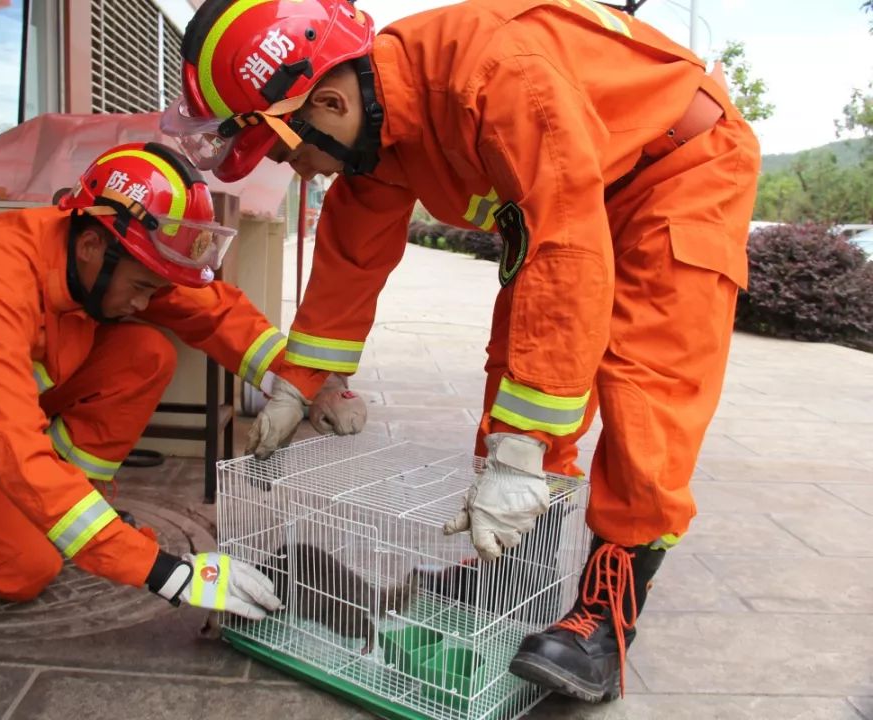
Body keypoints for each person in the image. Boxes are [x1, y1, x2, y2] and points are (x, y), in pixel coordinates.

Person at [161, 0, 760, 701]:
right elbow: (350, 261)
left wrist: (524, 444)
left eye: (294, 150)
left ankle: (605, 622)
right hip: (571, 190)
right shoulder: (377, 126)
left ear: (327, 100)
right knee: (517, 368)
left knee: (643, 387)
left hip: (678, 173)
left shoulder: (497, 72)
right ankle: (514, 572)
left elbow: (567, 244)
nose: (301, 171)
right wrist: (297, 384)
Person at [0, 141, 298, 619]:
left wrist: (303, 381)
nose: (148, 305)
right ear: (90, 248)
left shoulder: (101, 249)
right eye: (144, 288)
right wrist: (167, 573)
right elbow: (14, 448)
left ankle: (64, 507)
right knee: (23, 567)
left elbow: (210, 309)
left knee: (145, 354)